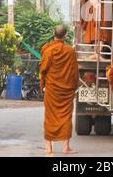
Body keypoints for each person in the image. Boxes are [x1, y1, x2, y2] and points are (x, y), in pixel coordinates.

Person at [39, 25, 79, 155]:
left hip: (52, 89)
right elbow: (74, 72)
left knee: (50, 117)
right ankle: (65, 147)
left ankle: (48, 148)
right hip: (66, 90)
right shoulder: (70, 51)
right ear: (65, 36)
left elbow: (43, 69)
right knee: (66, 116)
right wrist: (74, 86)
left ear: (53, 34)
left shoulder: (48, 50)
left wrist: (42, 84)